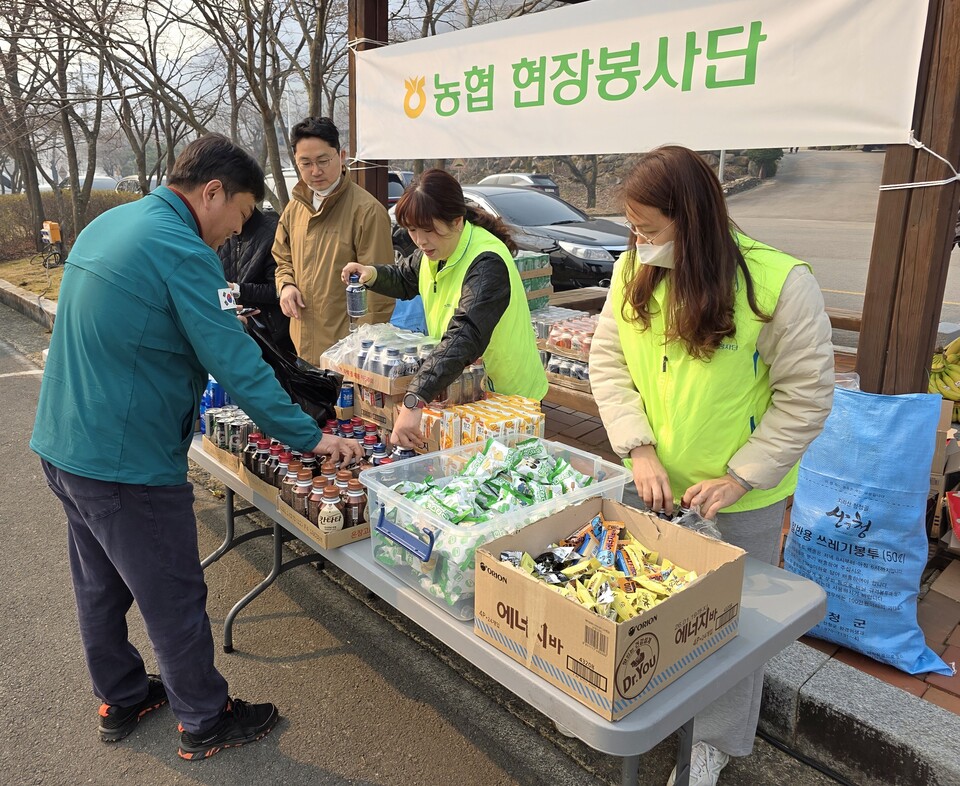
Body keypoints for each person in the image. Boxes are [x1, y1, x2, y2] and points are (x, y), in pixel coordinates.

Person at [30, 134, 362, 760]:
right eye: (237, 217)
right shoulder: (183, 249)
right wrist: (311, 436)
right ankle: (205, 719)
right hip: (127, 462)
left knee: (100, 583)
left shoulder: (115, 222)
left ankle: (123, 696)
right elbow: (240, 369)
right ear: (211, 193)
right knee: (173, 592)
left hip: (65, 443)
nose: (232, 237)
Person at [588, 145, 834, 786]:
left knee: (733, 630)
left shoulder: (777, 284)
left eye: (649, 229)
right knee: (654, 609)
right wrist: (638, 449)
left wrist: (743, 476)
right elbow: (608, 364)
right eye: (632, 229)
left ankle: (714, 743)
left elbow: (806, 396)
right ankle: (655, 708)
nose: (638, 242)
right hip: (655, 484)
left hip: (737, 498)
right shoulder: (631, 271)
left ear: (692, 219)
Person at [341, 168, 548, 448]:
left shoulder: (487, 262)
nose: (421, 240)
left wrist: (415, 400)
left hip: (507, 398)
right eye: (412, 230)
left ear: (457, 221)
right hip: (467, 386)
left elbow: (464, 334)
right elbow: (405, 277)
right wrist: (371, 274)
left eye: (429, 230)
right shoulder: (435, 252)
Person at [273, 116, 394, 363]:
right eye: (305, 163)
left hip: (346, 354)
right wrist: (286, 285)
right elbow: (282, 257)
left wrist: (361, 353)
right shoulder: (296, 207)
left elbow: (379, 292)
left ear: (342, 157)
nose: (315, 171)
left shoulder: (366, 211)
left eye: (323, 160)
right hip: (302, 346)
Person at [218, 206, 296, 354]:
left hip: (272, 335)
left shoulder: (272, 232)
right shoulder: (221, 230)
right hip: (234, 328)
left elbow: (277, 289)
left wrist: (237, 289)